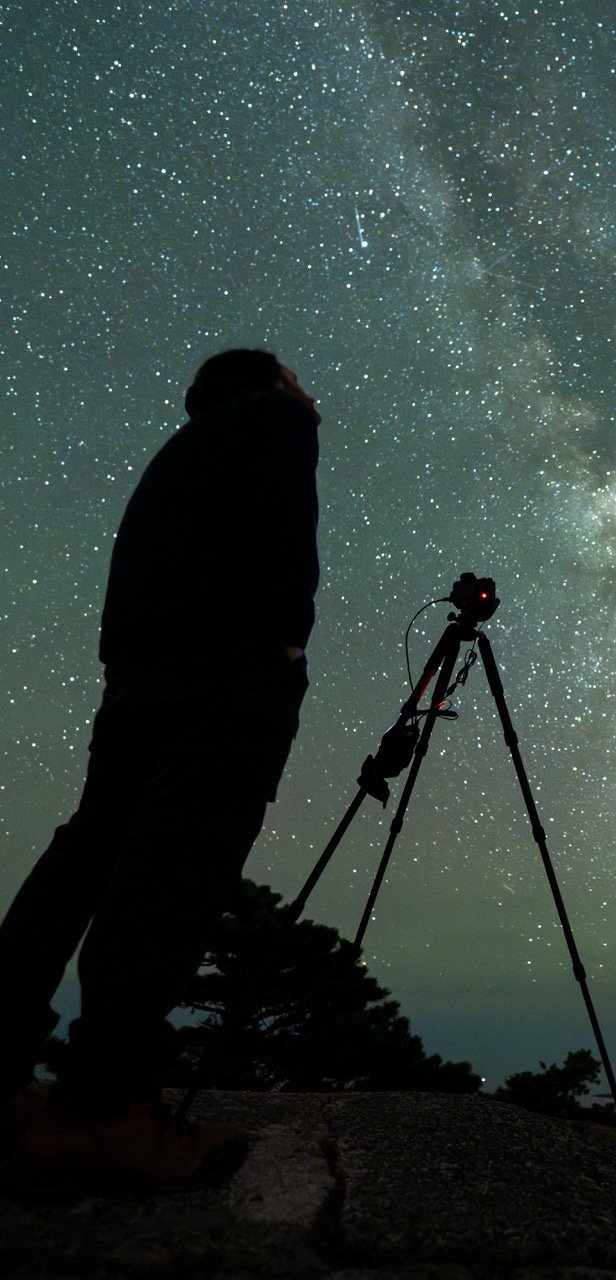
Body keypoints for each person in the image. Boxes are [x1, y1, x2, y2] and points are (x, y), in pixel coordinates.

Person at [0, 348, 320, 1194]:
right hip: (230, 664)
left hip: (140, 668)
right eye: (295, 377)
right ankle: (101, 1110)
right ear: (272, 378)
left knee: (90, 848)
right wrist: (289, 634)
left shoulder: (183, 448)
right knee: (179, 860)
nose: (306, 389)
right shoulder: (274, 418)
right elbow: (282, 521)